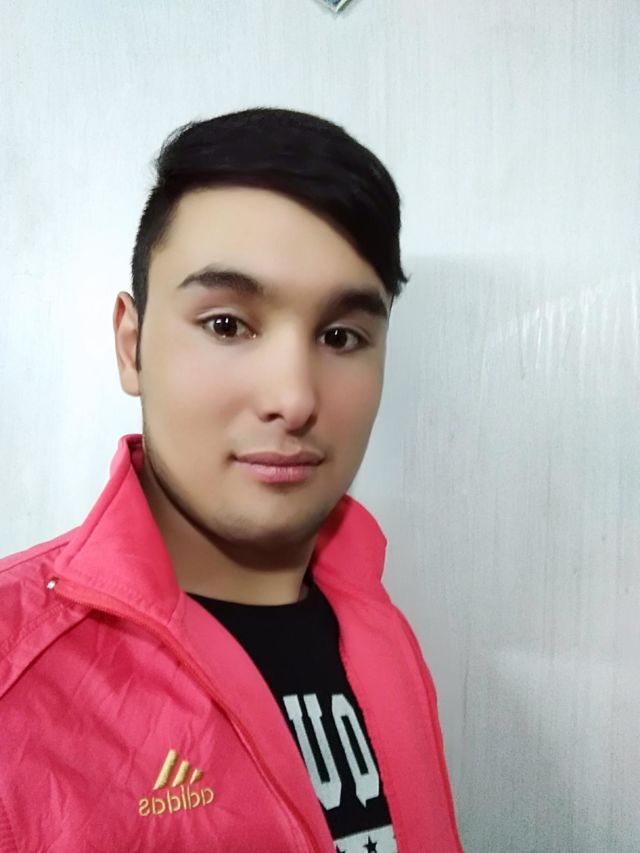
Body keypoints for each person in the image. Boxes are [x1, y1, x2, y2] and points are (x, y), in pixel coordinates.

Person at [0, 108, 462, 852]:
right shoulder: (15, 672)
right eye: (226, 325)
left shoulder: (381, 630)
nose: (294, 397)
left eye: (340, 336)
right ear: (132, 345)